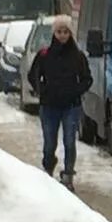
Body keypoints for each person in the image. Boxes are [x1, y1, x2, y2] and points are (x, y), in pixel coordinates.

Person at [28, 15, 92, 186]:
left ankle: (68, 174)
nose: (62, 35)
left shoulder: (78, 57)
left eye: (65, 32)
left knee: (70, 142)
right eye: (59, 32)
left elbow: (87, 79)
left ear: (70, 34)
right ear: (54, 33)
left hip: (71, 107)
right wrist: (42, 91)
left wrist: (75, 91)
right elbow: (33, 75)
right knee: (50, 143)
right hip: (49, 107)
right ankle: (48, 170)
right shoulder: (44, 55)